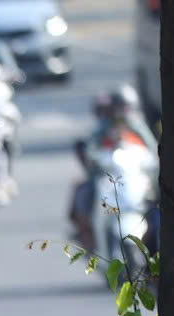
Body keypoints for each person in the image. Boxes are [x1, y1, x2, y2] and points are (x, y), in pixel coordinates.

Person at [68, 84, 152, 247]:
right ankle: (86, 235)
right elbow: (91, 148)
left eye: (126, 108)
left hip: (135, 176)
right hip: (108, 177)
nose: (122, 112)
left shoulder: (138, 127)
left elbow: (151, 146)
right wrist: (94, 159)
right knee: (83, 192)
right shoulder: (104, 127)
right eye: (118, 107)